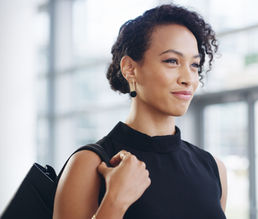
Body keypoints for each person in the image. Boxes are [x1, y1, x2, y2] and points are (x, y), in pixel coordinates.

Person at [53, 4, 227, 219]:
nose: (188, 79)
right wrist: (115, 201)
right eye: (172, 61)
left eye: (194, 65)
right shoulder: (90, 164)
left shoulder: (212, 167)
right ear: (130, 69)